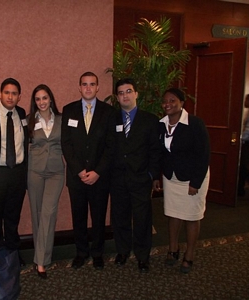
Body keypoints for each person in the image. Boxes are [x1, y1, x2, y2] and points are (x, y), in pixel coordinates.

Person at [61, 71, 116, 270]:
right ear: (79, 87)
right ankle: (81, 252)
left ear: (98, 87)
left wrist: (97, 172)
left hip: (99, 178)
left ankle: (98, 253)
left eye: (92, 84)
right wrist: (79, 170)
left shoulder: (108, 112)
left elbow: (111, 146)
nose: (88, 88)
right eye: (84, 84)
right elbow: (66, 144)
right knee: (79, 217)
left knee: (99, 218)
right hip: (77, 178)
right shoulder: (69, 110)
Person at [153, 87, 210, 274]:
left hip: (192, 177)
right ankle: (173, 249)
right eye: (165, 101)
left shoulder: (194, 124)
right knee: (173, 214)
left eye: (172, 101)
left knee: (192, 216)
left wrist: (196, 182)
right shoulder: (161, 124)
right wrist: (156, 176)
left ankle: (190, 255)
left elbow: (203, 155)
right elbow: (158, 154)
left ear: (182, 103)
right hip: (171, 177)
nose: (167, 104)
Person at [110, 78, 161, 273]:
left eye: (128, 91)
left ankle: (142, 256)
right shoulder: (112, 119)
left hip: (140, 178)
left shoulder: (150, 120)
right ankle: (122, 251)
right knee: (120, 217)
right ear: (117, 97)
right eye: (121, 93)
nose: (125, 95)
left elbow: (155, 151)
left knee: (142, 219)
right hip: (118, 179)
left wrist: (151, 175)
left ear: (136, 93)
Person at [0, 78, 29, 262]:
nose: (10, 97)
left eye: (14, 93)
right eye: (7, 93)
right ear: (0, 94)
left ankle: (12, 254)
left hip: (17, 173)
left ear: (19, 97)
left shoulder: (21, 113)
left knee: (13, 216)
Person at [27, 84, 65, 279]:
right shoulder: (28, 122)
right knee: (37, 213)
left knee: (48, 213)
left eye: (45, 98)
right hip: (34, 171)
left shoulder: (62, 120)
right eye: (38, 99)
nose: (42, 102)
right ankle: (43, 257)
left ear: (51, 99)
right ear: (34, 102)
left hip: (56, 172)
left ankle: (40, 260)